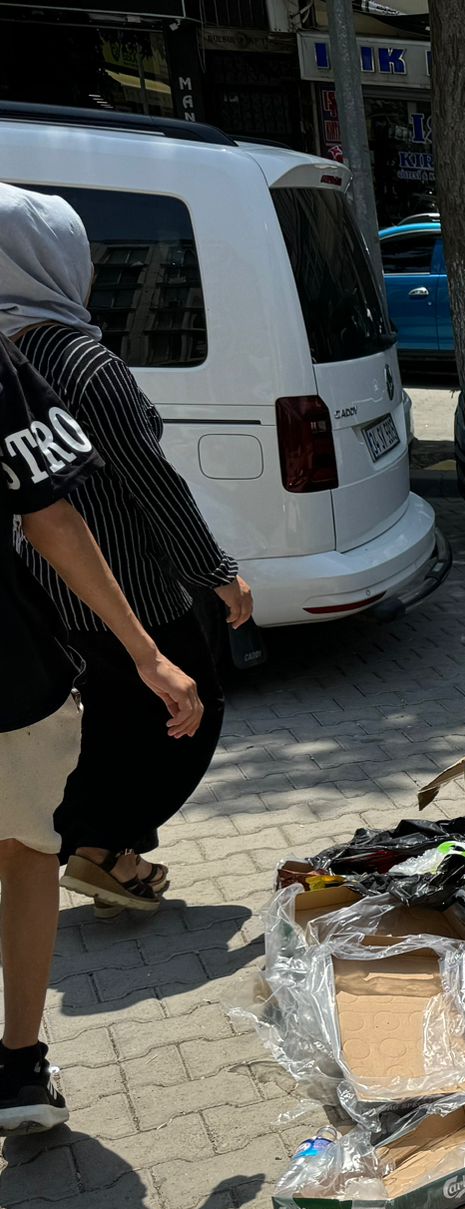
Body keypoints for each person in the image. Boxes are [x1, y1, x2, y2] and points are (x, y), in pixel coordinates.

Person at [0, 184, 248, 914]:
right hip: (131, 585)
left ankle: (110, 853)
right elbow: (152, 483)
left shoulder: (12, 353)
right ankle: (99, 844)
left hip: (52, 588)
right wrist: (218, 571)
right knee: (187, 713)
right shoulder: (82, 361)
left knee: (113, 721)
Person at [1, 333, 202, 1131]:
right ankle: (18, 1070)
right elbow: (49, 513)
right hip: (9, 672)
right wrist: (147, 652)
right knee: (24, 854)